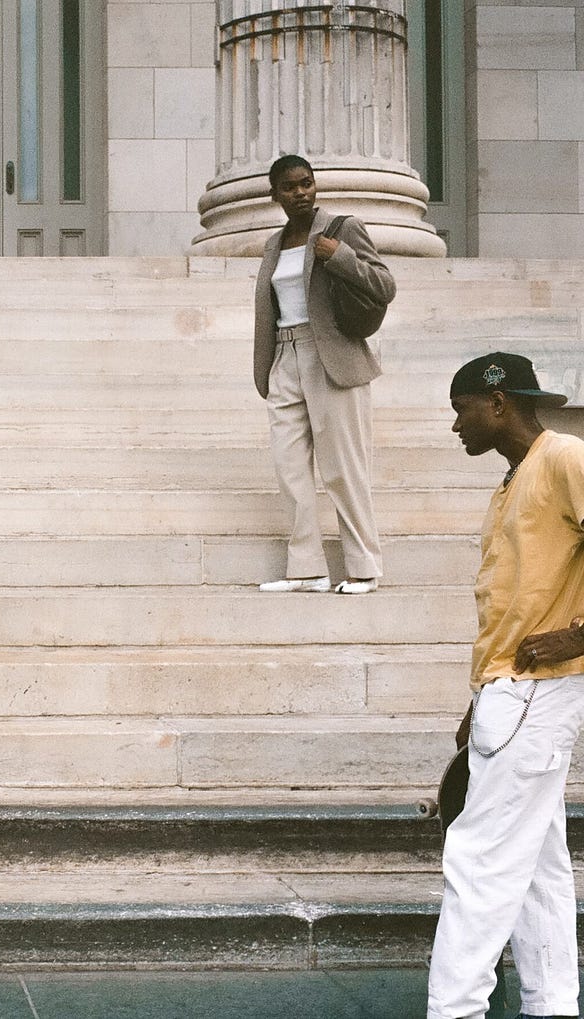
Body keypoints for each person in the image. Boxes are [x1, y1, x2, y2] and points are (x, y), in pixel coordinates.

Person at [428, 352, 584, 1019]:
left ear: (497, 404)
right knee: (538, 873)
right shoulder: (512, 481)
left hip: (538, 690)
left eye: (461, 409)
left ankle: (454, 1010)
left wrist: (580, 636)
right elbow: (513, 601)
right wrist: (479, 699)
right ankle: (552, 1005)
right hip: (510, 694)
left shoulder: (564, 457)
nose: (456, 425)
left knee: (478, 863)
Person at [253, 153, 395, 595]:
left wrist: (340, 257)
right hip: (284, 355)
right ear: (274, 193)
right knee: (290, 466)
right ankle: (308, 569)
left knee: (343, 467)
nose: (301, 193)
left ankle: (365, 568)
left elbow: (384, 285)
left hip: (329, 354)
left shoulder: (341, 229)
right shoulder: (274, 244)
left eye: (307, 184)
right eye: (290, 187)